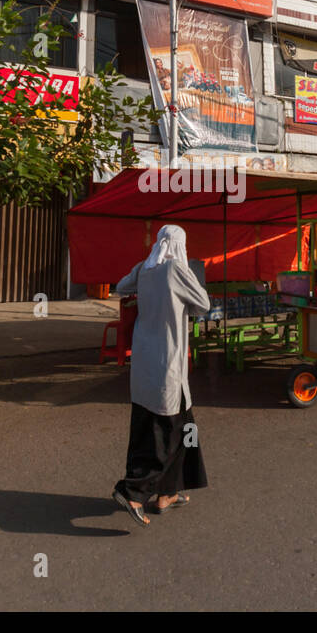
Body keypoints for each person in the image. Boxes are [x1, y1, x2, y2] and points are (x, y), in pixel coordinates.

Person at [111, 224, 211, 527]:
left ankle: (167, 492)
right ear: (180, 246)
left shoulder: (145, 268)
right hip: (168, 366)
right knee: (168, 435)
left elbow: (121, 286)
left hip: (144, 364)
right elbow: (203, 305)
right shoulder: (177, 271)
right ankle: (133, 491)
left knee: (181, 430)